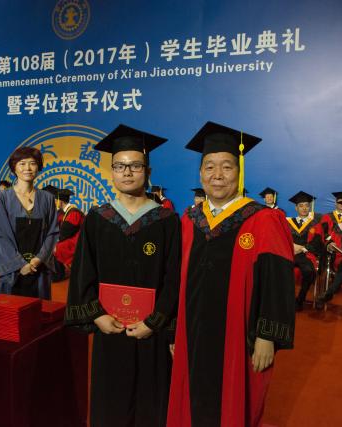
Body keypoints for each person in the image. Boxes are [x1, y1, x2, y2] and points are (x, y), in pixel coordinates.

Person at [168, 122, 295, 427]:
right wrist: (174, 331)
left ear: (239, 173)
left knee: (235, 403)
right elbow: (175, 280)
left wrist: (267, 335)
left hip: (239, 336)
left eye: (227, 167)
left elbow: (278, 282)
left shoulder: (263, 219)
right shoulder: (190, 220)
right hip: (192, 331)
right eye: (209, 167)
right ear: (201, 173)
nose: (218, 174)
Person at [65, 124, 181, 427]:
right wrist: (97, 315)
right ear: (112, 171)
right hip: (110, 330)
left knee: (150, 402)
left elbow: (174, 277)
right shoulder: (98, 219)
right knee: (111, 403)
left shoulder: (167, 220)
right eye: (119, 166)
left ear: (148, 171)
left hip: (151, 332)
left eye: (135, 166)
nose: (127, 172)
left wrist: (155, 322)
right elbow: (83, 272)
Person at [0, 147, 59, 299]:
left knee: (39, 309)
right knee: (11, 309)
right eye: (22, 163)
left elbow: (52, 232)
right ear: (14, 167)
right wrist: (20, 265)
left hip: (39, 268)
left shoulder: (47, 199)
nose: (27, 168)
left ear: (38, 167)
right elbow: (0, 236)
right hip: (12, 271)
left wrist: (38, 260)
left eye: (32, 163)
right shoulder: (3, 198)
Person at [287, 191, 323, 311]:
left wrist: (302, 248)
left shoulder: (315, 224)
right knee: (280, 269)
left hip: (306, 255)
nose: (304, 208)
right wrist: (292, 246)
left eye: (307, 205)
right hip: (290, 254)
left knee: (309, 271)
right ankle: (287, 298)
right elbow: (283, 238)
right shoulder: (288, 223)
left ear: (310, 207)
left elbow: (317, 241)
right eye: (301, 206)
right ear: (296, 208)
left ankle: (300, 299)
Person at [51, 188, 85, 281]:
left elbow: (65, 233)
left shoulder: (73, 213)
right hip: (72, 238)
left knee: (55, 248)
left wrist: (53, 241)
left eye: (56, 200)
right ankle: (59, 271)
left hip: (78, 241)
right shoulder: (66, 212)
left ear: (61, 201)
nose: (55, 202)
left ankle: (59, 274)